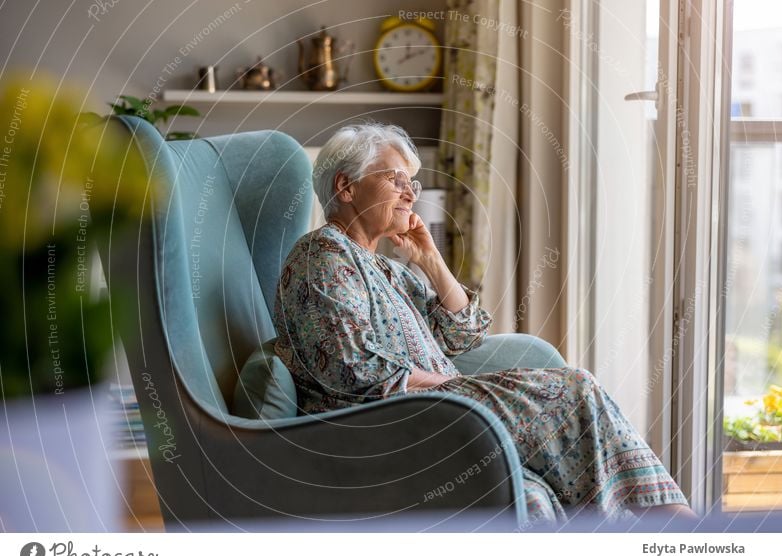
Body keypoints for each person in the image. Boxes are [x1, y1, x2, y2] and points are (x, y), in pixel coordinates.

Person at [272, 122, 693, 522]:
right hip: (386, 424)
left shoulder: (387, 269)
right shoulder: (322, 256)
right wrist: (454, 386)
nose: (410, 195)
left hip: (436, 411)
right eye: (396, 180)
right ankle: (681, 532)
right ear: (346, 186)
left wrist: (431, 261)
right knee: (575, 390)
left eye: (411, 184)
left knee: (529, 491)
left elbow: (465, 333)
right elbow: (352, 368)